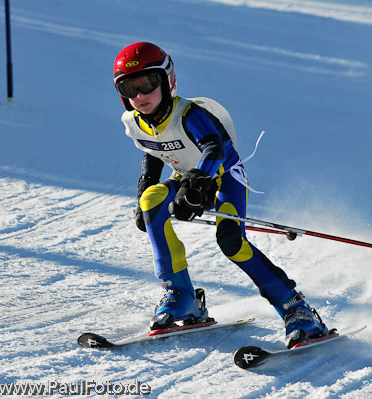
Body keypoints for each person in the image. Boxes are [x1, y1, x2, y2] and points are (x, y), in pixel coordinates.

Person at [113, 41, 328, 348]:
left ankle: (295, 308)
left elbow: (214, 147)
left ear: (166, 80)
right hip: (189, 178)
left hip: (225, 177)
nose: (139, 96)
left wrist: (198, 185)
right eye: (129, 89)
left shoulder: (189, 114)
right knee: (151, 203)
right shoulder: (135, 123)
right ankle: (182, 296)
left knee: (232, 242)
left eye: (146, 84)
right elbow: (152, 154)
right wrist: (144, 200)